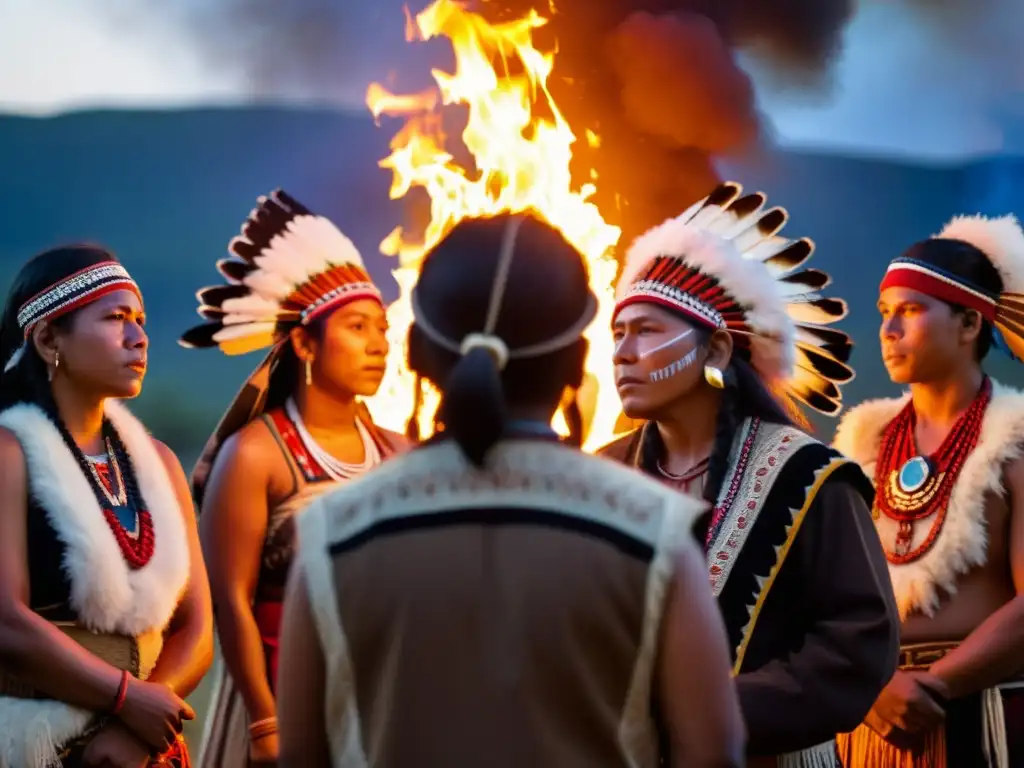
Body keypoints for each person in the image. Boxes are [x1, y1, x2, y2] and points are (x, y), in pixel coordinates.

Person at [274, 212, 747, 767]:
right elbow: (713, 754)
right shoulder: (654, 535)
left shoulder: (331, 536)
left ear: (417, 355)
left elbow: (303, 755)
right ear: (577, 364)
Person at [600, 181, 901, 767]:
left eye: (648, 331)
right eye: (618, 332)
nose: (622, 351)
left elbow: (857, 642)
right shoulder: (602, 478)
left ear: (715, 352)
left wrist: (705, 711)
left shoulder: (808, 477)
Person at [179, 189, 406, 768]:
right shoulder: (256, 455)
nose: (379, 344)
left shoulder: (400, 452)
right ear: (305, 341)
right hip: (284, 703)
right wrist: (264, 719)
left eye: (382, 328)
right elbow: (230, 598)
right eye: (358, 327)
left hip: (383, 706)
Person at [0, 245, 213, 767]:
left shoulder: (158, 463)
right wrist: (125, 698)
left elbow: (197, 626)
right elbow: (5, 621)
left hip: (143, 747)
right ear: (50, 338)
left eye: (140, 320)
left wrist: (139, 724)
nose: (139, 338)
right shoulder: (8, 453)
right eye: (116, 319)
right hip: (37, 742)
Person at [833, 214, 1024, 767]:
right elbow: (826, 597)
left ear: (968, 325)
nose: (888, 331)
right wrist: (873, 688)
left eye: (911, 311)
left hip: (986, 719)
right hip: (870, 722)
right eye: (884, 313)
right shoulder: (861, 447)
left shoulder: (1014, 440)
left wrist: (931, 686)